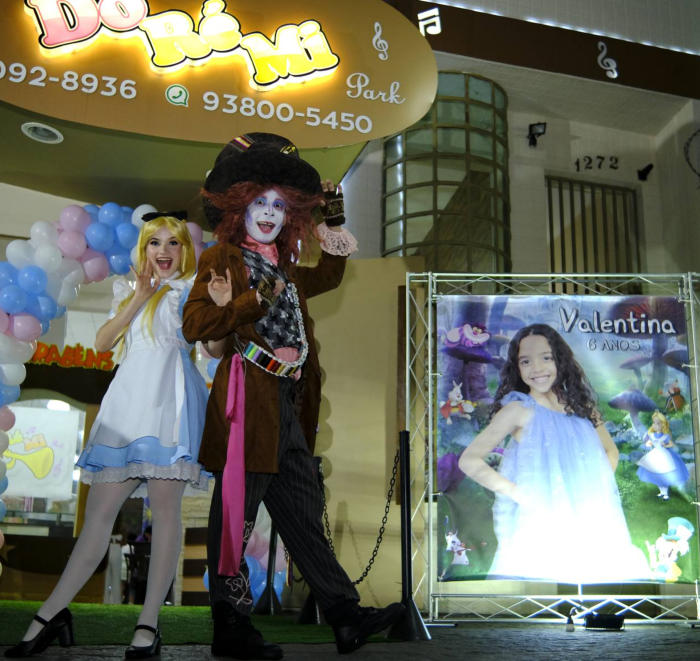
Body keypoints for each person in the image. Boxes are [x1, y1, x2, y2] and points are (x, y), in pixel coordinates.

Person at [182, 132, 404, 659]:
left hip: (288, 405)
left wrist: (334, 215)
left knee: (304, 517)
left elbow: (330, 272)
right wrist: (253, 299)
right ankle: (229, 627)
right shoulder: (222, 257)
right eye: (259, 202)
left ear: (291, 217)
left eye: (279, 206)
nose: (268, 213)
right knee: (234, 516)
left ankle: (345, 617)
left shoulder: (285, 268)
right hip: (247, 401)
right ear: (239, 208)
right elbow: (196, 324)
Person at [5, 214, 209, 659]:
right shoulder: (127, 288)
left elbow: (213, 347)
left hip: (171, 406)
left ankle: (148, 624)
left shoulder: (194, 289)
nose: (164, 251)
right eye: (155, 242)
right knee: (98, 517)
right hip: (126, 405)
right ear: (144, 248)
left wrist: (224, 307)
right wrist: (140, 297)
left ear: (184, 250)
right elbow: (102, 343)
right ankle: (51, 614)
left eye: (173, 243)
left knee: (166, 514)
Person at [458, 323, 650, 583]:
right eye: (526, 361)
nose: (537, 368)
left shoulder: (582, 408)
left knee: (595, 574)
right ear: (517, 367)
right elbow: (469, 460)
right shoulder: (518, 410)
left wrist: (592, 489)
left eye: (546, 358)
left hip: (589, 513)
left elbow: (610, 451)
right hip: (542, 516)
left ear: (560, 359)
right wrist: (516, 491)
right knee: (543, 581)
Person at [636, 410, 689, 500]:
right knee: (656, 474)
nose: (655, 425)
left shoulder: (665, 436)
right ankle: (661, 492)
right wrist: (649, 444)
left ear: (663, 424)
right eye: (654, 423)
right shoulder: (652, 435)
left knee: (664, 473)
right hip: (655, 454)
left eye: (658, 423)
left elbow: (671, 444)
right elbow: (649, 443)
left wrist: (665, 445)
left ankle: (666, 494)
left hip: (664, 455)